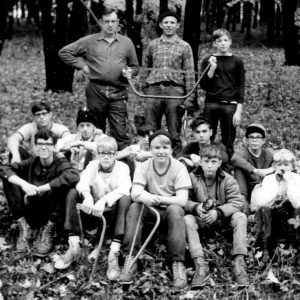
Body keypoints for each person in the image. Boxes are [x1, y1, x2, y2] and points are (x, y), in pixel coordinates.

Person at [119, 130, 192, 290]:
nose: (161, 151)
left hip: (169, 211)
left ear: (171, 150)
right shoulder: (144, 166)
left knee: (175, 209)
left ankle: (177, 262)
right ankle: (130, 258)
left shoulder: (179, 167)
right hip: (150, 209)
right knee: (135, 206)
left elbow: (182, 199)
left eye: (165, 148)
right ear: (150, 150)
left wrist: (157, 198)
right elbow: (135, 192)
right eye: (157, 148)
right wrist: (144, 196)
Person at [58, 7, 139, 151]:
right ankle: (95, 166)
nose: (110, 24)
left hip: (119, 92)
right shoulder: (89, 41)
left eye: (113, 21)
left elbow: (135, 66)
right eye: (107, 21)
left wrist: (130, 72)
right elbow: (64, 52)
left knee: (120, 132)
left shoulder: (126, 43)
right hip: (96, 91)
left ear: (118, 22)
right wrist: (82, 65)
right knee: (95, 130)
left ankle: (123, 165)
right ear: (101, 22)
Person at [54, 137, 132, 282]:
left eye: (110, 153)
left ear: (116, 154)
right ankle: (74, 244)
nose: (106, 157)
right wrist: (87, 196)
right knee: (72, 192)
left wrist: (104, 201)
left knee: (126, 199)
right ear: (98, 154)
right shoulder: (93, 165)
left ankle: (114, 251)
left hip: (111, 214)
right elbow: (82, 181)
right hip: (92, 211)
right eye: (103, 153)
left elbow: (125, 188)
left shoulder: (122, 167)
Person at [0, 129, 80, 256]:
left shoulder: (60, 163)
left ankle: (48, 230)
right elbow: (5, 169)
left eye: (48, 144)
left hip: (51, 211)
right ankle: (24, 227)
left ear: (54, 147)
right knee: (9, 179)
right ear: (35, 147)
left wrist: (44, 187)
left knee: (65, 183)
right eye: (40, 144)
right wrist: (24, 184)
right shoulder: (32, 161)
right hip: (31, 209)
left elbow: (74, 175)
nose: (43, 148)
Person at [184, 145, 248, 288]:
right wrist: (195, 207)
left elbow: (237, 202)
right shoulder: (191, 178)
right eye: (206, 161)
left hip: (222, 222)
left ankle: (238, 262)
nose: (210, 166)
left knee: (240, 217)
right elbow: (183, 200)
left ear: (219, 163)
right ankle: (200, 263)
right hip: (201, 219)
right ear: (200, 162)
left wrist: (218, 212)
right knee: (187, 219)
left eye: (213, 162)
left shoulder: (228, 179)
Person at [141, 9, 195, 156]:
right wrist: (144, 88)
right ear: (160, 24)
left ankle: (177, 159)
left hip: (174, 90)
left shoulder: (184, 46)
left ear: (177, 25)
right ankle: (151, 157)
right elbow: (145, 67)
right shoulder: (153, 45)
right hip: (154, 88)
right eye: (166, 22)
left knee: (174, 127)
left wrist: (189, 98)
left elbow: (189, 72)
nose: (169, 25)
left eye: (172, 22)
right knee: (150, 127)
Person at [200, 28, 246, 158]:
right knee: (208, 136)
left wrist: (238, 111)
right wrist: (212, 68)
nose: (223, 43)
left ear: (230, 42)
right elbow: (204, 85)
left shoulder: (237, 61)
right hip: (211, 103)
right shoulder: (208, 60)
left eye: (225, 40)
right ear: (214, 43)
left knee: (229, 138)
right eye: (219, 41)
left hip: (230, 105)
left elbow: (241, 87)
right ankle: (206, 161)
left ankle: (228, 165)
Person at [251, 149, 300, 263]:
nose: (283, 167)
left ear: (292, 166)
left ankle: (297, 247)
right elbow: (262, 203)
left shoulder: (297, 178)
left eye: (286, 165)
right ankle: (264, 249)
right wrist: (277, 184)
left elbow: (297, 203)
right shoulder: (269, 179)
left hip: (292, 218)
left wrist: (289, 182)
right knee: (263, 210)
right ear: (274, 166)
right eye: (279, 164)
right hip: (273, 218)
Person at [231, 123, 274, 203]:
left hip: (266, 191)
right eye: (251, 137)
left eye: (258, 137)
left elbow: (283, 160)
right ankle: (243, 202)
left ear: (263, 140)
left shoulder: (268, 153)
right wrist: (254, 170)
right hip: (249, 190)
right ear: (247, 140)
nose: (254, 140)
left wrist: (271, 169)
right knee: (238, 169)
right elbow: (234, 158)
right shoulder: (244, 152)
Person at [56, 107, 107, 172]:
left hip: (95, 173)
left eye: (88, 125)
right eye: (82, 125)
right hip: (75, 174)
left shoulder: (102, 137)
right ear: (78, 127)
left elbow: (101, 147)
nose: (85, 129)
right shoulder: (73, 138)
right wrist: (66, 148)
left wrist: (80, 143)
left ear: (94, 127)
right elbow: (58, 144)